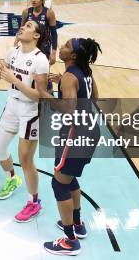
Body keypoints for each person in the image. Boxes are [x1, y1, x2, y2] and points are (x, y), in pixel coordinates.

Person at [40, 38, 102, 256]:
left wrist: (47, 95)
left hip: (75, 135)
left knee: (58, 183)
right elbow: (95, 98)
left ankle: (70, 240)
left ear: (73, 55)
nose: (62, 48)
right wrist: (65, 84)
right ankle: (77, 223)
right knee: (69, 177)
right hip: (91, 131)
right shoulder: (85, 72)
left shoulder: (69, 76)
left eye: (66, 46)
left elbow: (69, 111)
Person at [0, 20, 49, 221]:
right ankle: (11, 179)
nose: (23, 27)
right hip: (12, 105)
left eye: (29, 26)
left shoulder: (41, 60)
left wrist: (14, 80)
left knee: (25, 159)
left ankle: (34, 203)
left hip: (31, 111)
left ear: (36, 36)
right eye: (23, 25)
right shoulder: (13, 51)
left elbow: (39, 96)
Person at [18, 0, 58, 65]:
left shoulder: (49, 13)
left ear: (42, 0)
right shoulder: (26, 12)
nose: (34, 0)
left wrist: (54, 52)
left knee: (42, 70)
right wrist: (16, 43)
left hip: (44, 44)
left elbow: (54, 33)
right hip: (29, 43)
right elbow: (21, 29)